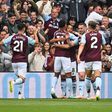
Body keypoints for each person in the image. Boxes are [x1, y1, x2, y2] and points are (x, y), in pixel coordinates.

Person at [0, 22, 38, 99]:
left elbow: (1, 42)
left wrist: (5, 38)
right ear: (24, 29)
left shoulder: (12, 37)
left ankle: (20, 94)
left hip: (14, 61)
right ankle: (13, 82)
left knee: (19, 77)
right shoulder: (26, 37)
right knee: (22, 79)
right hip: (22, 60)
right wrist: (35, 33)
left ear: (17, 29)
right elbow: (36, 42)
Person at [77, 21, 106, 100]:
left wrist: (78, 56)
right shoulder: (100, 35)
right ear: (95, 27)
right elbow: (104, 45)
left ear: (89, 27)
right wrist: (102, 51)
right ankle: (98, 92)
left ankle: (88, 95)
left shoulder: (85, 35)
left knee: (88, 76)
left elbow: (82, 45)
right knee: (97, 75)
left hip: (88, 58)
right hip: (97, 58)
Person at [50, 20, 78, 98]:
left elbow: (51, 41)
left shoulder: (56, 33)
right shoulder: (67, 34)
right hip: (65, 56)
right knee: (68, 75)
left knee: (56, 74)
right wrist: (63, 39)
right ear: (65, 25)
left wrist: (56, 44)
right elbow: (68, 46)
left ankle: (52, 89)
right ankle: (69, 94)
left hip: (57, 56)